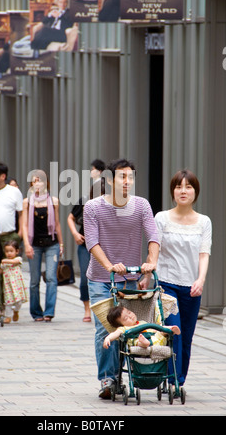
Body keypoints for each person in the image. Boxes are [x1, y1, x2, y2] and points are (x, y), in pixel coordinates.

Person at [83, 158, 160, 399]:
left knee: (131, 326)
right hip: (100, 278)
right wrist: (109, 266)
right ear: (109, 179)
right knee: (105, 327)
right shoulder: (93, 207)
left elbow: (153, 235)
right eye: (121, 177)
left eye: (131, 177)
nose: (127, 181)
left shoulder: (141, 206)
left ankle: (132, 374)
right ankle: (108, 380)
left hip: (131, 278)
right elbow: (92, 241)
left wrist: (150, 265)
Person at [155, 169, 212, 389]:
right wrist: (149, 274)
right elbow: (155, 249)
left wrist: (201, 280)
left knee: (186, 336)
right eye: (179, 186)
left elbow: (204, 253)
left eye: (188, 186)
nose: (183, 191)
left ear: (195, 192)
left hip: (191, 288)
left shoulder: (204, 222)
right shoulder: (161, 218)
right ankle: (172, 381)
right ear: (173, 191)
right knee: (173, 331)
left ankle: (179, 379)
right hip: (167, 283)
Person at [22, 169, 64, 322]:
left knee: (52, 278)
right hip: (34, 244)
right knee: (34, 281)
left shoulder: (54, 201)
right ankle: (36, 312)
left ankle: (49, 311)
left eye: (40, 180)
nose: (38, 183)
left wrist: (61, 243)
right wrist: (27, 244)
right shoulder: (27, 202)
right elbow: (25, 225)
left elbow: (57, 224)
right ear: (31, 184)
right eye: (35, 181)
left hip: (51, 243)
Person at [67, 176, 105, 322]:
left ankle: (101, 310)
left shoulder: (111, 204)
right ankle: (87, 309)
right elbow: (70, 218)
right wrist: (75, 234)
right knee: (84, 278)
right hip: (85, 246)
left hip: (104, 247)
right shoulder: (85, 202)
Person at [0, 161, 23, 310]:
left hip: (9, 237)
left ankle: (12, 305)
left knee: (10, 272)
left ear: (3, 176)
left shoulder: (14, 192)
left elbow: (21, 214)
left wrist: (20, 233)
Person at [103, 305, 180, 350]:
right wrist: (108, 339)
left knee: (161, 330)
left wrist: (158, 330)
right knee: (136, 341)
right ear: (121, 325)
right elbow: (115, 333)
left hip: (155, 339)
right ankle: (144, 343)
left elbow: (153, 329)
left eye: (129, 312)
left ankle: (170, 329)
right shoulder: (123, 328)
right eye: (126, 318)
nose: (130, 316)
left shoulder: (142, 322)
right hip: (140, 343)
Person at [0, 240, 28, 324]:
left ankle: (16, 311)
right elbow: (0, 271)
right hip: (8, 286)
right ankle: (8, 317)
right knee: (8, 302)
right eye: (7, 251)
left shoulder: (18, 259)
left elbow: (14, 262)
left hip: (17, 285)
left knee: (19, 302)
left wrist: (4, 261)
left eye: (11, 251)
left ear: (17, 251)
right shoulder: (3, 263)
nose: (9, 253)